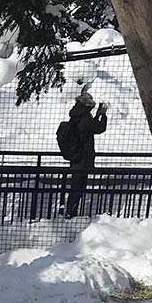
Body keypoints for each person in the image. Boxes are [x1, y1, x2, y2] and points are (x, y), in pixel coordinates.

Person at [61, 87, 107, 218]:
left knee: (75, 187)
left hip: (75, 158)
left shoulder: (76, 116)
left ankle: (69, 212)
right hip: (83, 159)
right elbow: (99, 128)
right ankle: (70, 213)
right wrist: (102, 115)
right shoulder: (85, 119)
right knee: (78, 188)